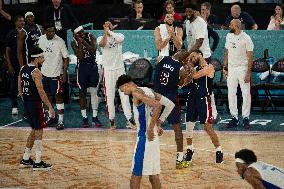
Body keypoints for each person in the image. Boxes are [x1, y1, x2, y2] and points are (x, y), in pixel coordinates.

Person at [116, 74, 174, 189]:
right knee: (153, 175)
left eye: (123, 90)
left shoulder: (136, 93)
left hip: (145, 138)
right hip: (153, 138)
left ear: (126, 85)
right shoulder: (148, 90)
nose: (123, 93)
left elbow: (157, 106)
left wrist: (150, 127)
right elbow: (169, 104)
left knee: (135, 175)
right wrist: (158, 123)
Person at [153, 50, 193, 169]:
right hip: (170, 98)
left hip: (157, 96)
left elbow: (156, 68)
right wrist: (187, 78)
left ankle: (149, 155)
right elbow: (180, 85)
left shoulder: (160, 58)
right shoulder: (181, 69)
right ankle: (180, 158)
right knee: (177, 129)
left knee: (152, 125)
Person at [184, 50, 223, 167]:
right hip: (192, 98)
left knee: (207, 127)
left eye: (194, 55)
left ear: (200, 55)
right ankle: (190, 150)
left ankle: (218, 150)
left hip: (204, 99)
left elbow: (195, 76)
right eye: (190, 57)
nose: (192, 58)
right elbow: (184, 83)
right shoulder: (194, 69)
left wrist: (188, 66)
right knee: (189, 126)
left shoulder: (209, 67)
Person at [18, 47, 54, 171]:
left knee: (34, 130)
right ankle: (38, 162)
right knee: (39, 131)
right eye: (42, 57)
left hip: (27, 103)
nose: (43, 59)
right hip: (35, 104)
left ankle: (26, 158)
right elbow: (41, 91)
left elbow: (20, 87)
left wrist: (25, 101)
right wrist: (49, 106)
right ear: (37, 58)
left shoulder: (23, 68)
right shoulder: (36, 72)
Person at [185, 4, 221, 123]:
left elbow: (199, 42)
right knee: (195, 87)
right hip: (193, 58)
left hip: (203, 58)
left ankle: (214, 114)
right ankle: (198, 113)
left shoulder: (200, 22)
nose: (188, 14)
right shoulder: (188, 22)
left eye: (190, 12)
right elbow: (189, 41)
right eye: (186, 12)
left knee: (207, 88)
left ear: (196, 12)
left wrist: (188, 54)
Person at [97, 21, 135, 129]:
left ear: (112, 26)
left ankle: (130, 120)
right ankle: (112, 121)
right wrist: (106, 33)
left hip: (120, 70)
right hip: (108, 71)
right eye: (105, 25)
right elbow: (102, 44)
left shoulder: (119, 35)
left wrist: (109, 31)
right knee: (109, 97)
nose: (108, 27)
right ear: (103, 27)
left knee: (125, 96)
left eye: (109, 25)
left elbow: (120, 40)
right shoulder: (100, 38)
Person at [223, 19, 254, 129]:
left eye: (231, 24)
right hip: (231, 69)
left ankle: (246, 117)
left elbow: (250, 56)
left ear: (236, 25)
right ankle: (234, 117)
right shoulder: (228, 36)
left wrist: (248, 73)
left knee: (246, 93)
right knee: (231, 93)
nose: (229, 25)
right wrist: (224, 67)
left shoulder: (246, 38)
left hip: (243, 68)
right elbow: (226, 52)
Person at [37, 23, 69, 130]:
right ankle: (51, 117)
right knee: (46, 97)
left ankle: (61, 121)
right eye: (49, 31)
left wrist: (64, 72)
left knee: (58, 96)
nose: (52, 33)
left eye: (53, 31)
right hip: (44, 73)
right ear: (45, 31)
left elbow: (66, 58)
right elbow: (38, 54)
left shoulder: (60, 41)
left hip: (56, 73)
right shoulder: (41, 39)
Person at [71, 25, 101, 128]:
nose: (82, 34)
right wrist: (80, 43)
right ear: (75, 35)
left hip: (92, 67)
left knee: (94, 92)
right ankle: (84, 118)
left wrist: (84, 42)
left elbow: (93, 52)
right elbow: (80, 56)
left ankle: (95, 116)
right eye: (79, 33)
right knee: (82, 93)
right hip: (82, 68)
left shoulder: (91, 36)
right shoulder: (73, 42)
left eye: (83, 31)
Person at [5, 15, 25, 115]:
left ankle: (28, 106)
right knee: (14, 86)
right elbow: (7, 51)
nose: (22, 23)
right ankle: (14, 106)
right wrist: (9, 65)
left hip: (25, 64)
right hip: (14, 64)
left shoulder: (26, 33)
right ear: (15, 22)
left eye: (23, 21)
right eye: (20, 21)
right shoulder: (10, 34)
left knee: (27, 85)